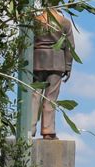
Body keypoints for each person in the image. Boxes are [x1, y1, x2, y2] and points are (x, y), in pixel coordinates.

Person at [31, 8, 74, 140]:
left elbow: (27, 42)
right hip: (56, 61)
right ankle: (48, 131)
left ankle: (29, 129)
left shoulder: (35, 21)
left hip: (37, 60)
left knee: (34, 96)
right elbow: (70, 46)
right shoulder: (64, 22)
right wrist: (68, 66)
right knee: (51, 98)